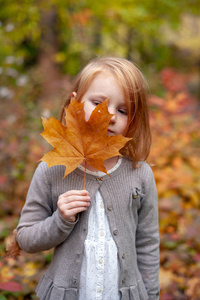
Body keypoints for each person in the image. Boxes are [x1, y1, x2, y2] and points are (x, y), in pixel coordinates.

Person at [17, 57, 160, 300]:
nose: (110, 116)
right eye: (98, 103)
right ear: (75, 102)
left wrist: (152, 294)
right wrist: (60, 220)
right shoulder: (51, 169)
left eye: (123, 110)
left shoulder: (140, 174)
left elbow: (147, 245)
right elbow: (26, 238)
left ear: (133, 120)